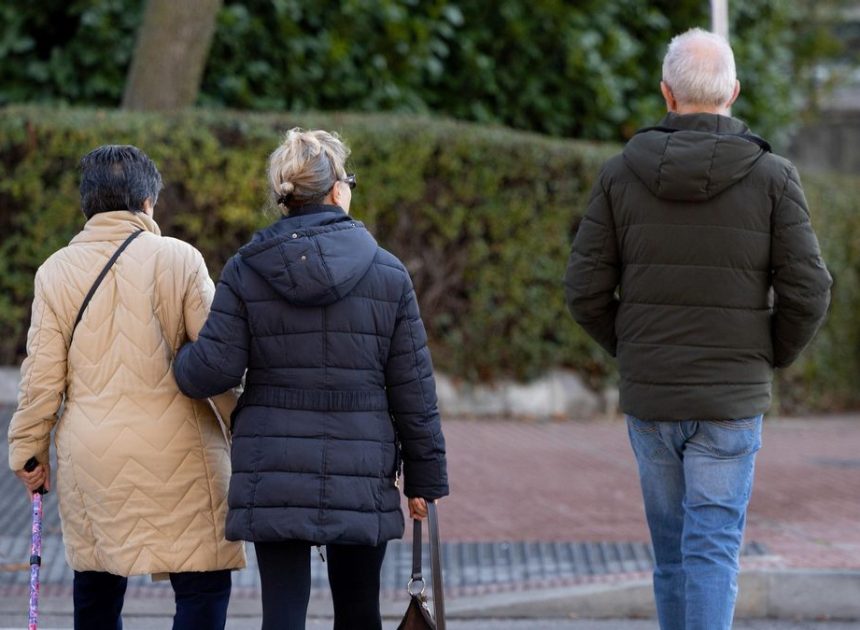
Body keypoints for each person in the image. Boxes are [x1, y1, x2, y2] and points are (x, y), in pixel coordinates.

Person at [564, 28, 831, 630]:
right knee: (712, 550)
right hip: (730, 398)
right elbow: (810, 291)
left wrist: (632, 348)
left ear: (666, 93)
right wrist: (766, 356)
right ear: (733, 92)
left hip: (653, 392)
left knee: (671, 555)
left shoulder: (619, 174)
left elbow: (583, 291)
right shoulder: (774, 177)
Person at [172, 128, 449, 630]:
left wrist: (177, 356)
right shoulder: (387, 273)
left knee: (281, 614)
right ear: (338, 190)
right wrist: (424, 481)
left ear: (285, 197)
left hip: (272, 463)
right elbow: (413, 388)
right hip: (362, 462)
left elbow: (212, 369)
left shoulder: (246, 269)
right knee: (360, 610)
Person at [8, 145, 245, 630]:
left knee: (96, 582)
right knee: (202, 580)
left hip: (92, 455)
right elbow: (218, 363)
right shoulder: (180, 259)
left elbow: (41, 379)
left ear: (87, 205)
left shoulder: (55, 272)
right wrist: (247, 425)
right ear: (148, 202)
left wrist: (29, 451)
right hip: (182, 449)